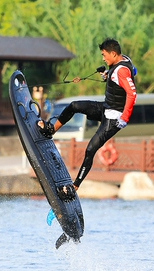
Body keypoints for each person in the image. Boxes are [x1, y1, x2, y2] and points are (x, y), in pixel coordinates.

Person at [37, 38, 137, 190]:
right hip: (105, 108)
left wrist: (125, 118)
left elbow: (132, 93)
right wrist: (108, 74)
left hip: (114, 118)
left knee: (90, 149)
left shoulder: (122, 71)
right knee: (74, 106)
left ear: (114, 54)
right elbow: (133, 71)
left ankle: (75, 186)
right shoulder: (124, 61)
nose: (103, 58)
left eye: (104, 55)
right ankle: (51, 130)